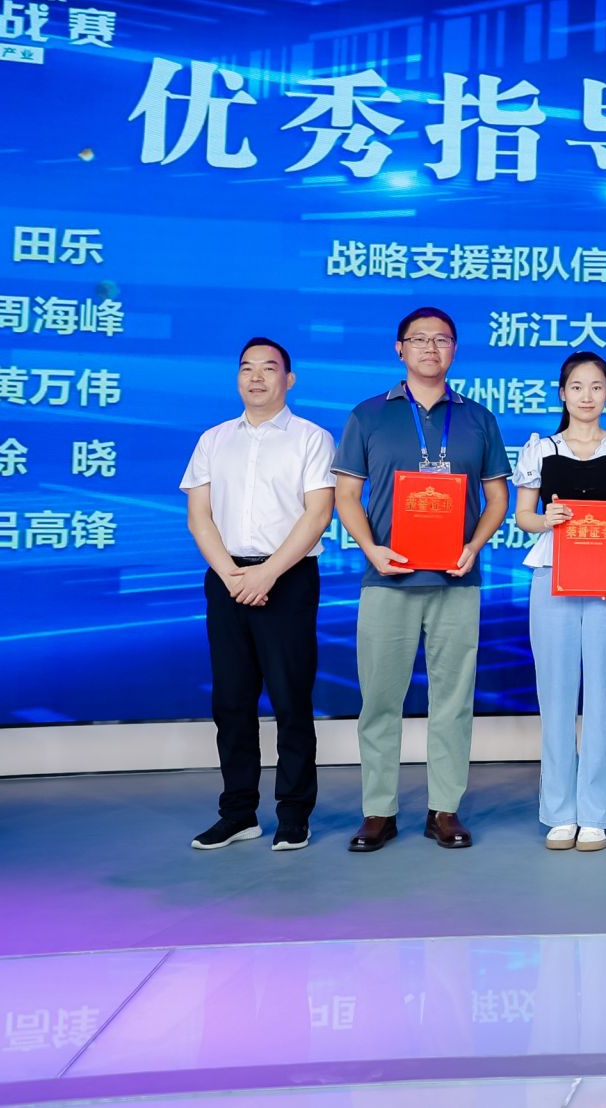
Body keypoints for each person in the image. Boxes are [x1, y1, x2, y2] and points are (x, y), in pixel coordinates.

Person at [332, 307, 510, 853]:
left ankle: (444, 809)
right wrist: (372, 549)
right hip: (387, 580)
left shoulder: (478, 418)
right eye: (419, 339)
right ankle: (378, 811)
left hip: (457, 580)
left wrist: (474, 546)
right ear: (400, 348)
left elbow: (497, 498)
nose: (431, 348)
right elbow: (346, 495)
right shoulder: (368, 415)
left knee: (452, 701)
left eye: (442, 339)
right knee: (379, 700)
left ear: (454, 349)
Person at [179, 337, 336, 852]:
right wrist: (231, 575)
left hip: (287, 578)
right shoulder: (213, 439)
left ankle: (294, 814)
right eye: (246, 368)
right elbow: (199, 516)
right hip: (226, 579)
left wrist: (267, 573)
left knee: (291, 701)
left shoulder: (312, 438)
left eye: (269, 368)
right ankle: (238, 813)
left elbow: (318, 514)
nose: (256, 377)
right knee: (231, 702)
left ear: (289, 380)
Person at [513, 351, 606, 852]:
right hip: (552, 577)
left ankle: (595, 812)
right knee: (554, 695)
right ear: (562, 393)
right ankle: (559, 812)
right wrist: (545, 521)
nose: (586, 396)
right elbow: (523, 516)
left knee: (605, 695)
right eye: (577, 387)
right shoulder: (541, 449)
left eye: (596, 387)